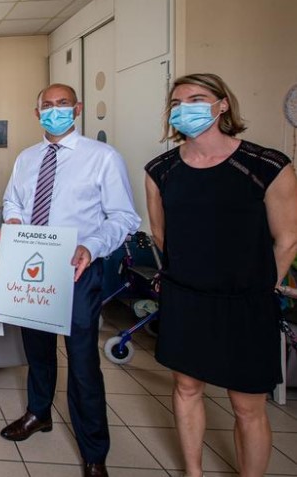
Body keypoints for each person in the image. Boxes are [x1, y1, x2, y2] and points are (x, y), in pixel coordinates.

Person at [145, 73, 297, 477]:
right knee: (186, 389)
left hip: (246, 302)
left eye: (197, 98)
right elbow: (162, 234)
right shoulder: (161, 170)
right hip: (186, 298)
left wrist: (259, 284)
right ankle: (193, 471)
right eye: (177, 103)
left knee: (247, 406)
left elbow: (287, 239)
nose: (185, 109)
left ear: (222, 105)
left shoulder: (266, 166)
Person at [0, 84, 140, 477]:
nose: (55, 111)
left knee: (82, 361)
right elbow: (14, 200)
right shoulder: (27, 159)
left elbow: (124, 217)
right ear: (37, 111)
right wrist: (12, 218)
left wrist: (92, 247)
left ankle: (94, 450)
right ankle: (38, 413)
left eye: (63, 104)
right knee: (38, 351)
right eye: (47, 105)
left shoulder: (103, 158)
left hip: (79, 270)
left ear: (77, 109)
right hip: (33, 267)